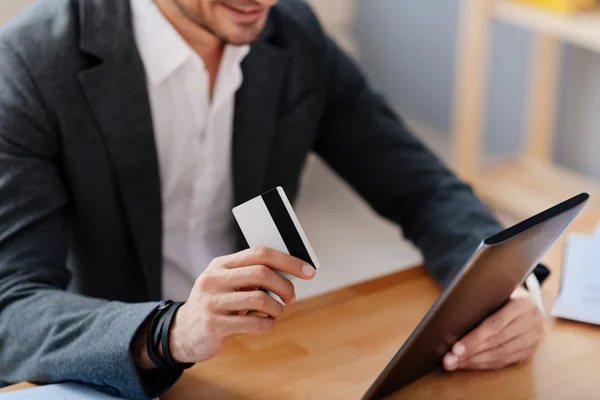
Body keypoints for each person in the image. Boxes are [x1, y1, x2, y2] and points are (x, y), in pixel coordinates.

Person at [0, 0, 548, 399]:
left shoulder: (291, 32)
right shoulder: (32, 61)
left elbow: (421, 186)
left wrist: (509, 291)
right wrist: (171, 331)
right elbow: (13, 306)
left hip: (255, 357)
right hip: (111, 362)